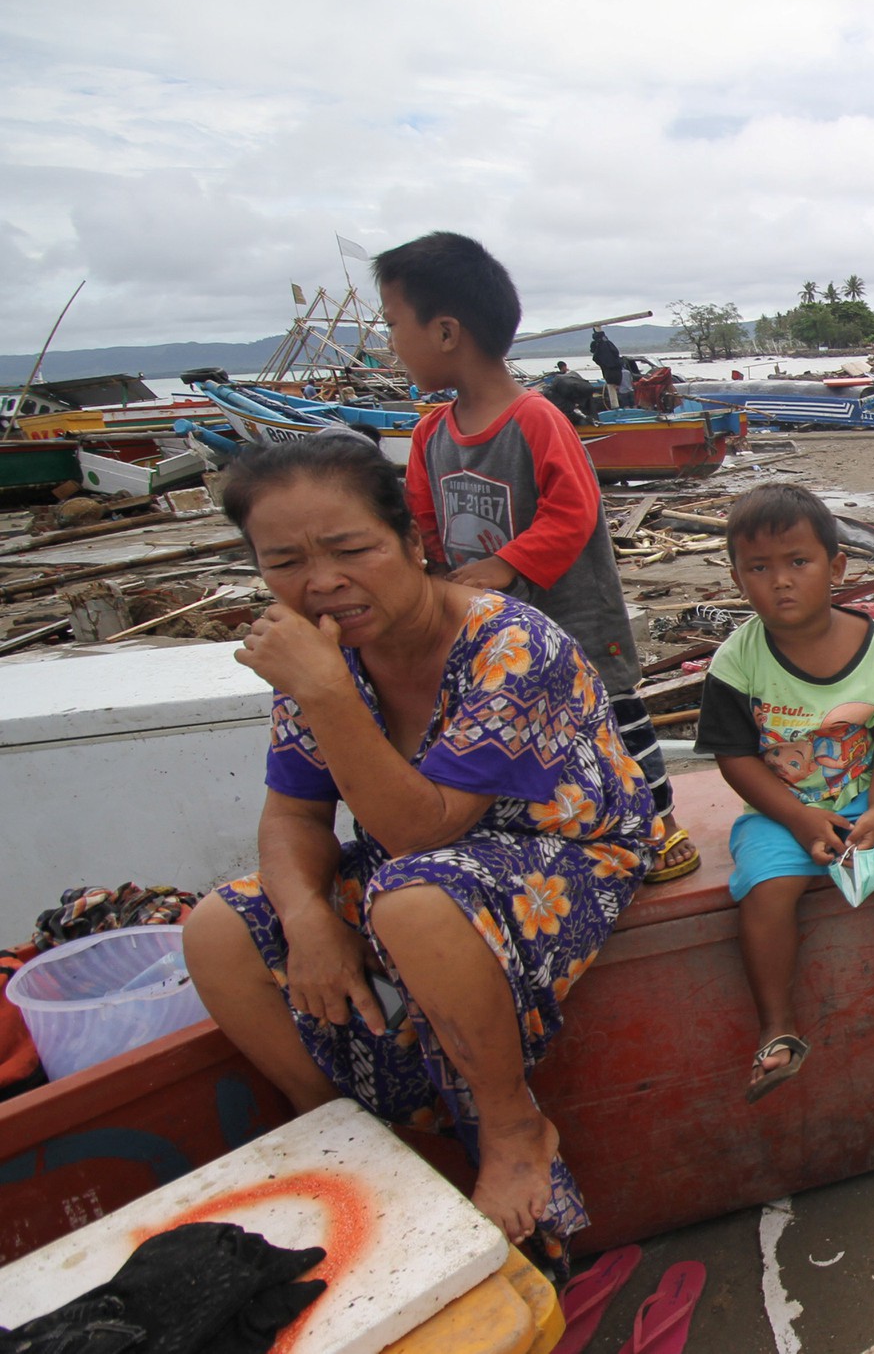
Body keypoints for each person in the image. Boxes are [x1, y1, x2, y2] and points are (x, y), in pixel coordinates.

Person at [183, 430, 658, 1270]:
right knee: (218, 928)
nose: (321, 581)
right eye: (284, 560)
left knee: (411, 896)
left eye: (350, 549)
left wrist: (327, 691)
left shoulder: (510, 643)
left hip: (564, 848)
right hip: (419, 861)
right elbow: (294, 815)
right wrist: (304, 919)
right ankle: (337, 1123)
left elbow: (424, 829)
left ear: (411, 541)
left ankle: (513, 1126)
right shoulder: (325, 654)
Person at [374, 232, 699, 882]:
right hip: (494, 631)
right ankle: (579, 829)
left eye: (391, 324)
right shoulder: (429, 434)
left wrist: (506, 564)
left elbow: (574, 510)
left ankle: (660, 823)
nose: (388, 343)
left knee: (614, 713)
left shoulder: (536, 419)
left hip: (573, 615)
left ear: (444, 332)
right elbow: (425, 528)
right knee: (530, 731)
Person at [694, 482, 874, 1102]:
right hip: (782, 807)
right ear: (738, 578)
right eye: (759, 568)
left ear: (837, 566)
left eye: (799, 562)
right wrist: (796, 818)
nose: (781, 581)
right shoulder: (735, 661)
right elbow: (735, 756)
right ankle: (778, 1029)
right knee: (766, 894)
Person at [589, 328, 621, 408]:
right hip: (612, 372)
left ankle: (615, 407)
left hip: (611, 373)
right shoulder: (605, 345)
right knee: (612, 385)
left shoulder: (603, 346)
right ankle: (615, 406)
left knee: (612, 385)